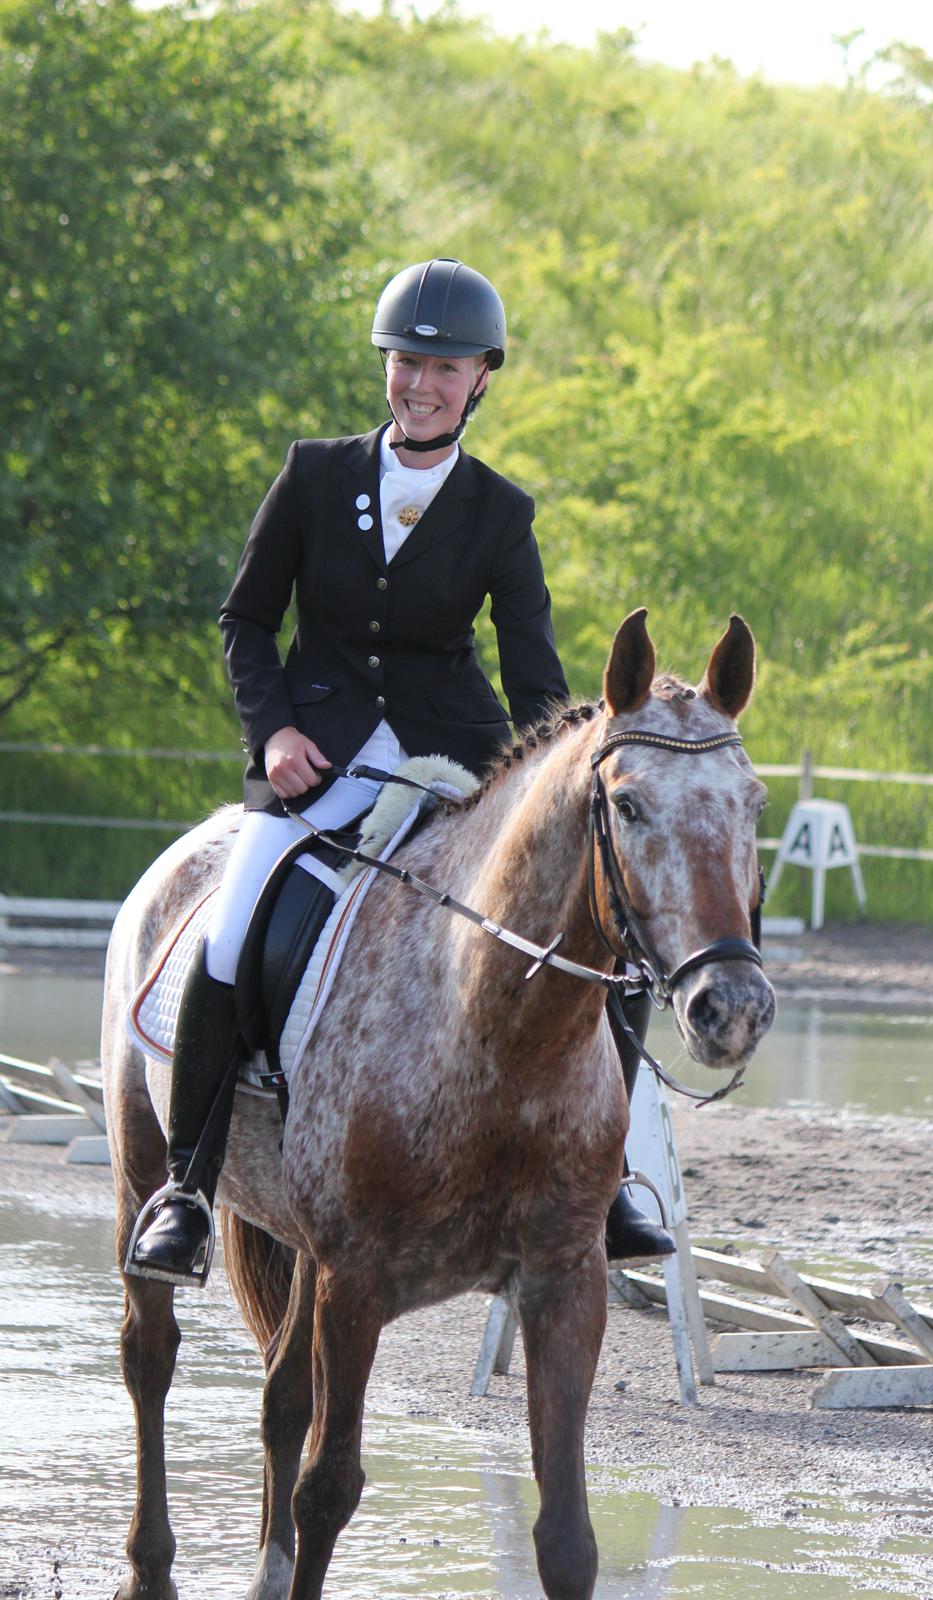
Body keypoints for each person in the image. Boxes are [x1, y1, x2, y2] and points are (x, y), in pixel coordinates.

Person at [126, 257, 673, 1286]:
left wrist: (582, 754)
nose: (420, 383)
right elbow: (245, 619)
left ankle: (613, 1177)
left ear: (479, 380)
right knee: (234, 929)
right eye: (405, 361)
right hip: (312, 763)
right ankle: (189, 1192)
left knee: (611, 940)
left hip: (449, 770)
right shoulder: (313, 473)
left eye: (444, 366)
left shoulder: (498, 514)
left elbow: (534, 677)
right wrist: (274, 733)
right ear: (388, 366)